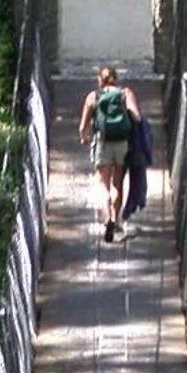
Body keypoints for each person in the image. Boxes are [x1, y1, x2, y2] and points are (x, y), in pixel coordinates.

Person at [78, 65, 142, 244]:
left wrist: (84, 137)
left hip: (102, 143)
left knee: (102, 183)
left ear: (100, 79)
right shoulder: (125, 93)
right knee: (118, 183)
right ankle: (117, 219)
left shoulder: (93, 96)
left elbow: (83, 127)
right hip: (122, 143)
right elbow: (137, 116)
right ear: (115, 78)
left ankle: (107, 219)